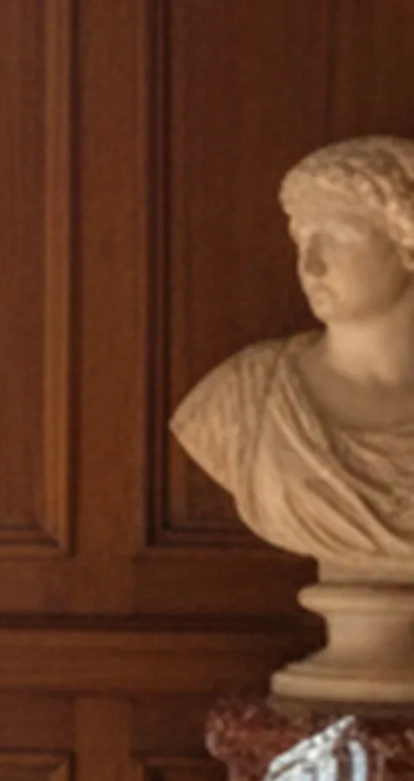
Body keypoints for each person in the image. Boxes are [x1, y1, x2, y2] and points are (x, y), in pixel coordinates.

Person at [172, 134, 414, 577]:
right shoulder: (240, 402)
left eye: (337, 236)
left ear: (406, 246)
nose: (311, 264)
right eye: (302, 239)